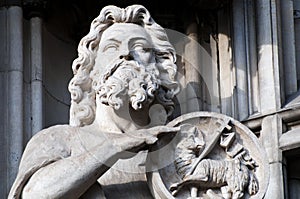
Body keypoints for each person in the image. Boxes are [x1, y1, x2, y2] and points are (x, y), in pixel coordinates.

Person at [8, 4, 181, 198]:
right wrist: (115, 146)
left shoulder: (178, 150)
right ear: (92, 70)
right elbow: (34, 195)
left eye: (140, 47)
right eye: (112, 47)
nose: (126, 53)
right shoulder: (60, 139)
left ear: (159, 67)